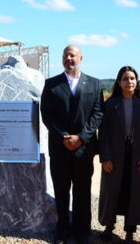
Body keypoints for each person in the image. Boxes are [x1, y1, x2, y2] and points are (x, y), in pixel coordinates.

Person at [40, 45, 104, 244]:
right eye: (65, 55)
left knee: (82, 192)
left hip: (84, 149)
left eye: (72, 55)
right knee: (61, 191)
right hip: (60, 148)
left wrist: (82, 137)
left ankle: (82, 231)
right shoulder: (51, 84)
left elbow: (98, 113)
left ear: (81, 58)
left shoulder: (94, 84)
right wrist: (64, 136)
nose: (68, 58)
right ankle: (63, 230)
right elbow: (47, 115)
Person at [97, 66, 140, 244]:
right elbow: (103, 131)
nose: (128, 82)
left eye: (132, 78)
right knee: (112, 190)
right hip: (114, 155)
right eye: (125, 79)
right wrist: (105, 157)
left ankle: (130, 231)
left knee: (134, 192)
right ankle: (108, 227)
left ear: (137, 82)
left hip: (137, 156)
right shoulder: (110, 103)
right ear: (118, 82)